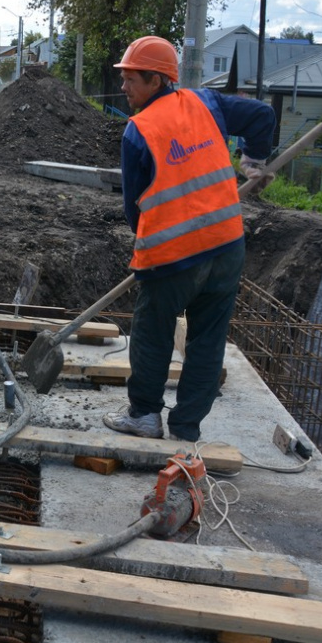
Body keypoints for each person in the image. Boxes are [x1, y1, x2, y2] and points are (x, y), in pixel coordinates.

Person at [103, 36, 275, 443]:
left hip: (174, 256)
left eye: (131, 79)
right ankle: (186, 427)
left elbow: (134, 209)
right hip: (227, 245)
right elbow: (263, 116)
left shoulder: (138, 131)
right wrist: (254, 159)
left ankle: (145, 415)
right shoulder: (206, 103)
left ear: (157, 79)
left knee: (152, 332)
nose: (124, 87)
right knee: (207, 339)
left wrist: (156, 238)